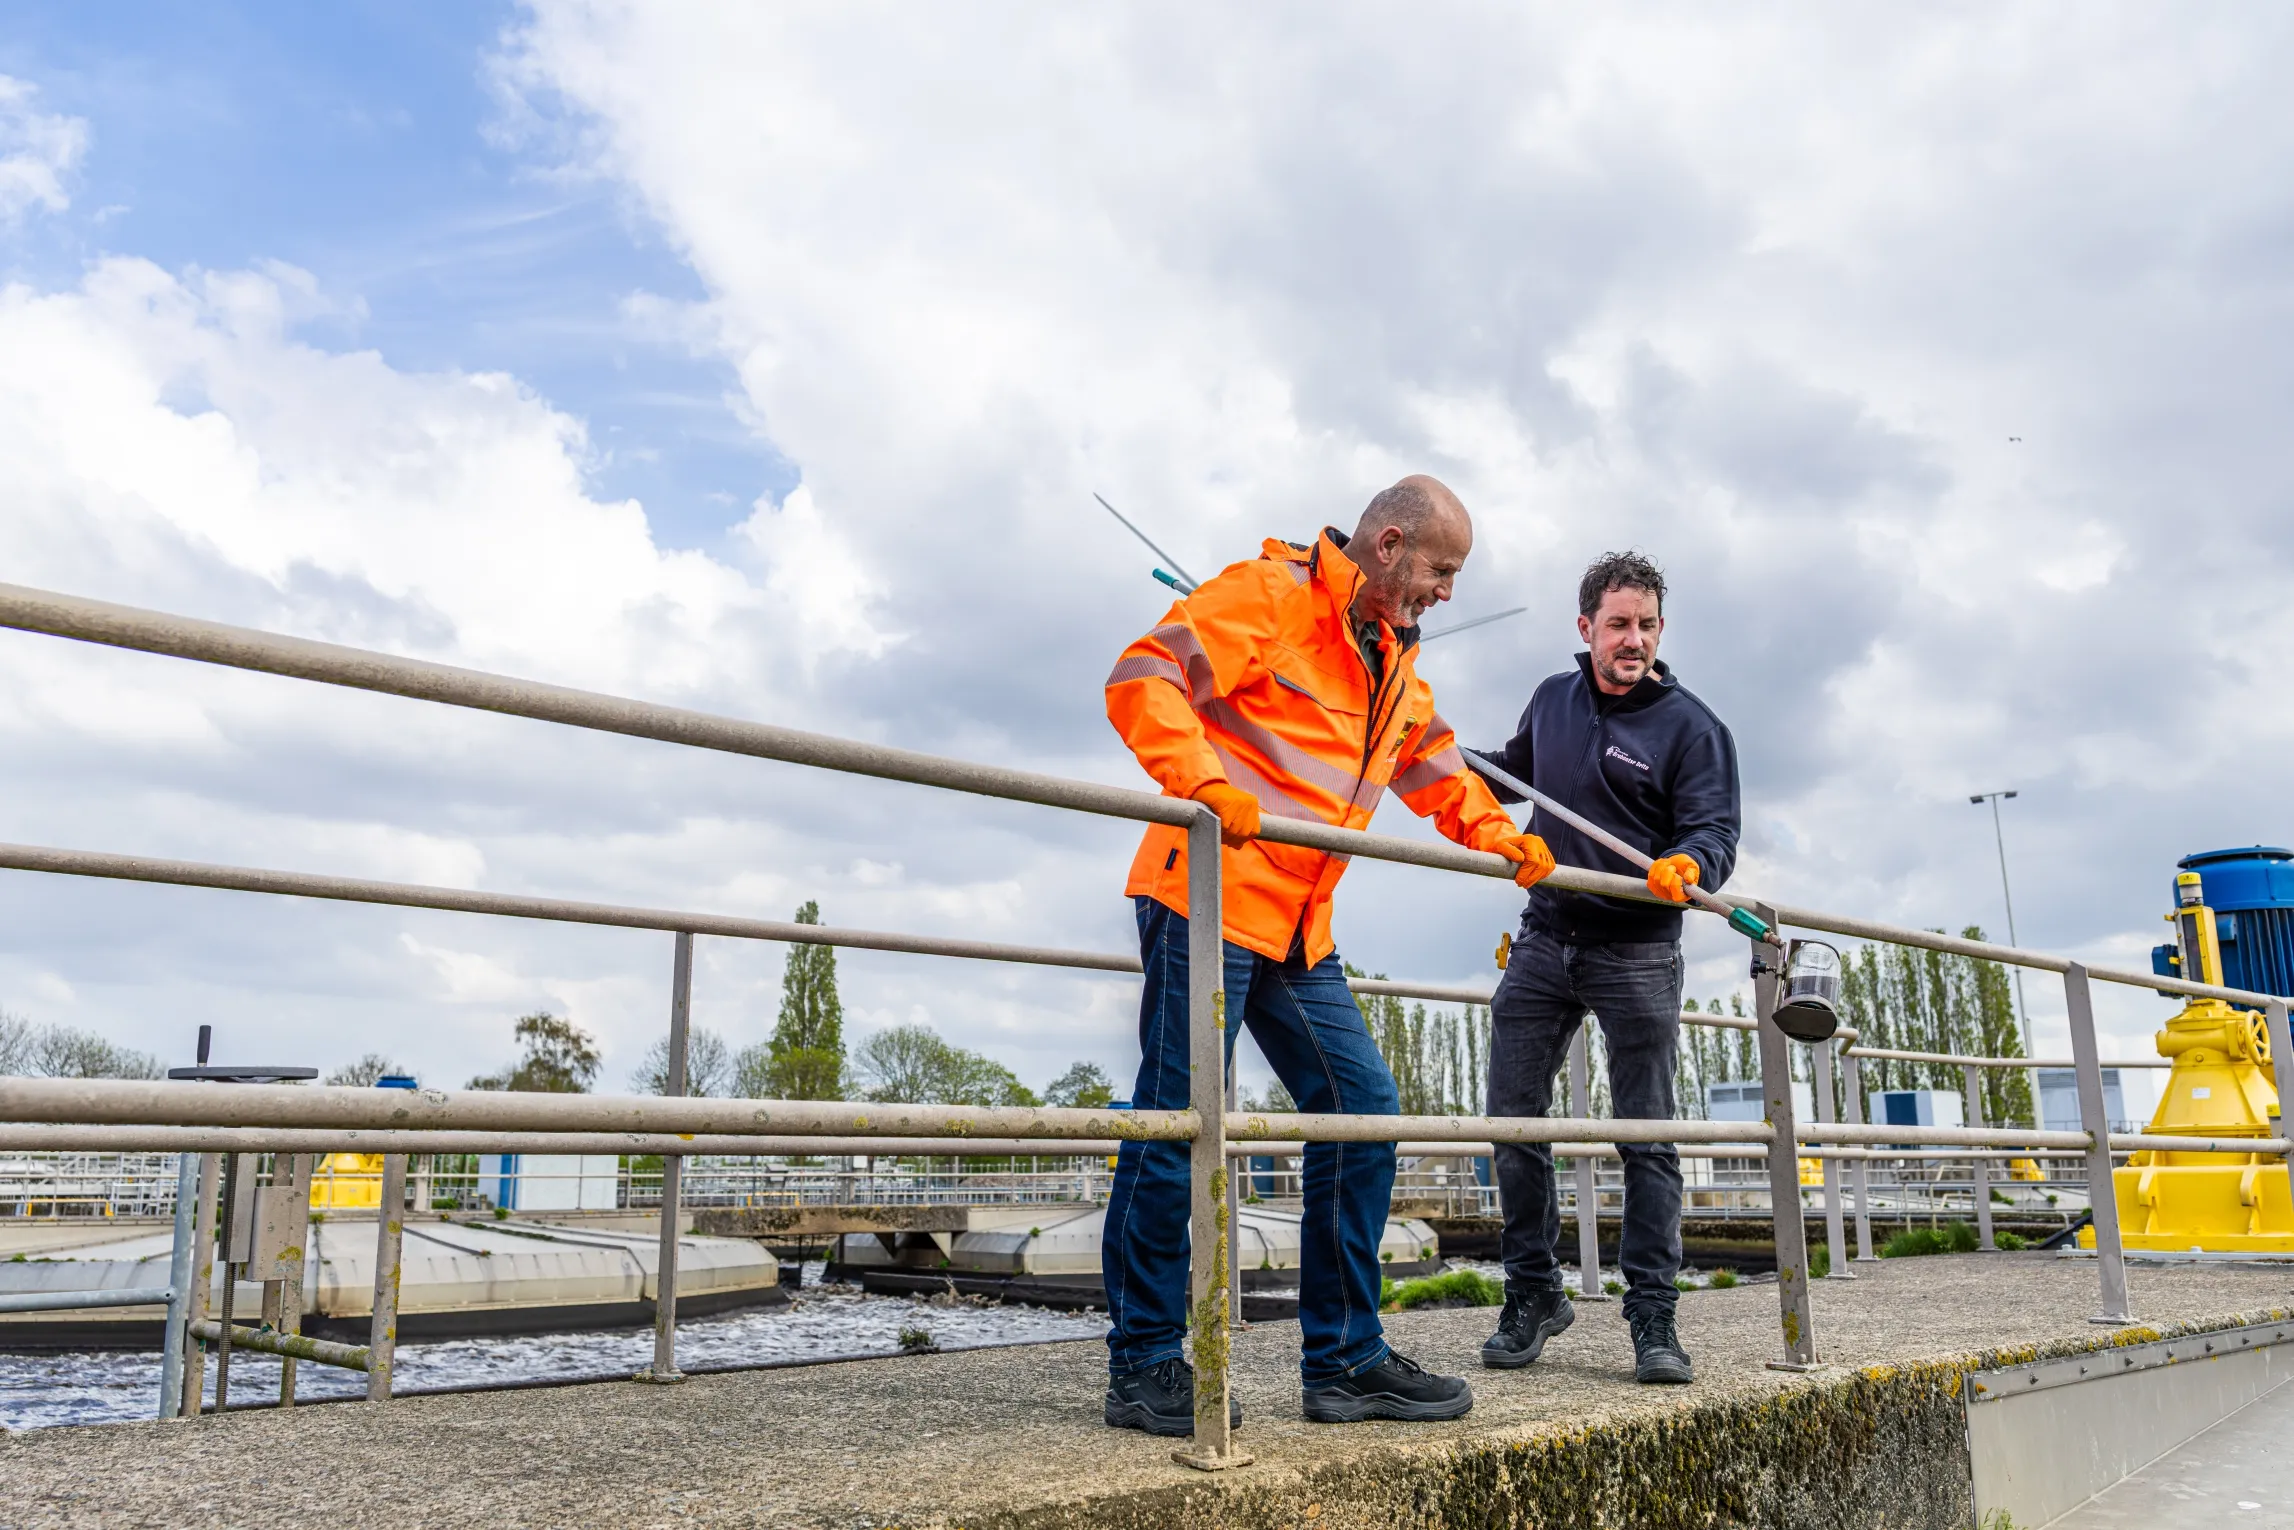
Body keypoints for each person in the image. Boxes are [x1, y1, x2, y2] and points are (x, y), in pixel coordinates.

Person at [1099, 475, 1555, 1434]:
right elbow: (1141, 674)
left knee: (1362, 1111)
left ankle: (1344, 1360)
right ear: (1388, 544)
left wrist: (1500, 837)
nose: (1447, 590)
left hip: (1301, 926)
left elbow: (1430, 760)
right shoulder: (1267, 596)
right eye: (1442, 569)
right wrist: (1204, 780)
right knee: (1180, 1123)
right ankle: (1142, 1363)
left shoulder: (1392, 658)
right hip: (1206, 896)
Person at [1469, 550, 1740, 1386]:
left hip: (1638, 949)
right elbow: (1513, 776)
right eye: (1618, 624)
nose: (1634, 640)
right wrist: (1443, 754)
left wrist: (1689, 866)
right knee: (1513, 1121)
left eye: (1647, 626)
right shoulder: (1553, 698)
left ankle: (1653, 1315)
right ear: (1584, 627)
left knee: (1645, 1138)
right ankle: (1533, 1293)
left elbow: (1714, 834)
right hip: (1546, 937)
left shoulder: (1694, 727)